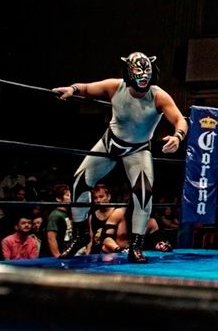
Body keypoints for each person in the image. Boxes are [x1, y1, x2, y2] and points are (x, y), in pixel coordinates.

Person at [52, 51, 188, 263]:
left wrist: (178, 137)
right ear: (129, 73)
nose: (143, 79)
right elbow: (87, 88)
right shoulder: (115, 86)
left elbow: (180, 119)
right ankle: (80, 235)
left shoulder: (158, 96)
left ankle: (136, 246)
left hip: (138, 149)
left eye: (146, 74)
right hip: (110, 143)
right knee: (79, 182)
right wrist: (72, 89)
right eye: (138, 74)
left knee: (144, 192)